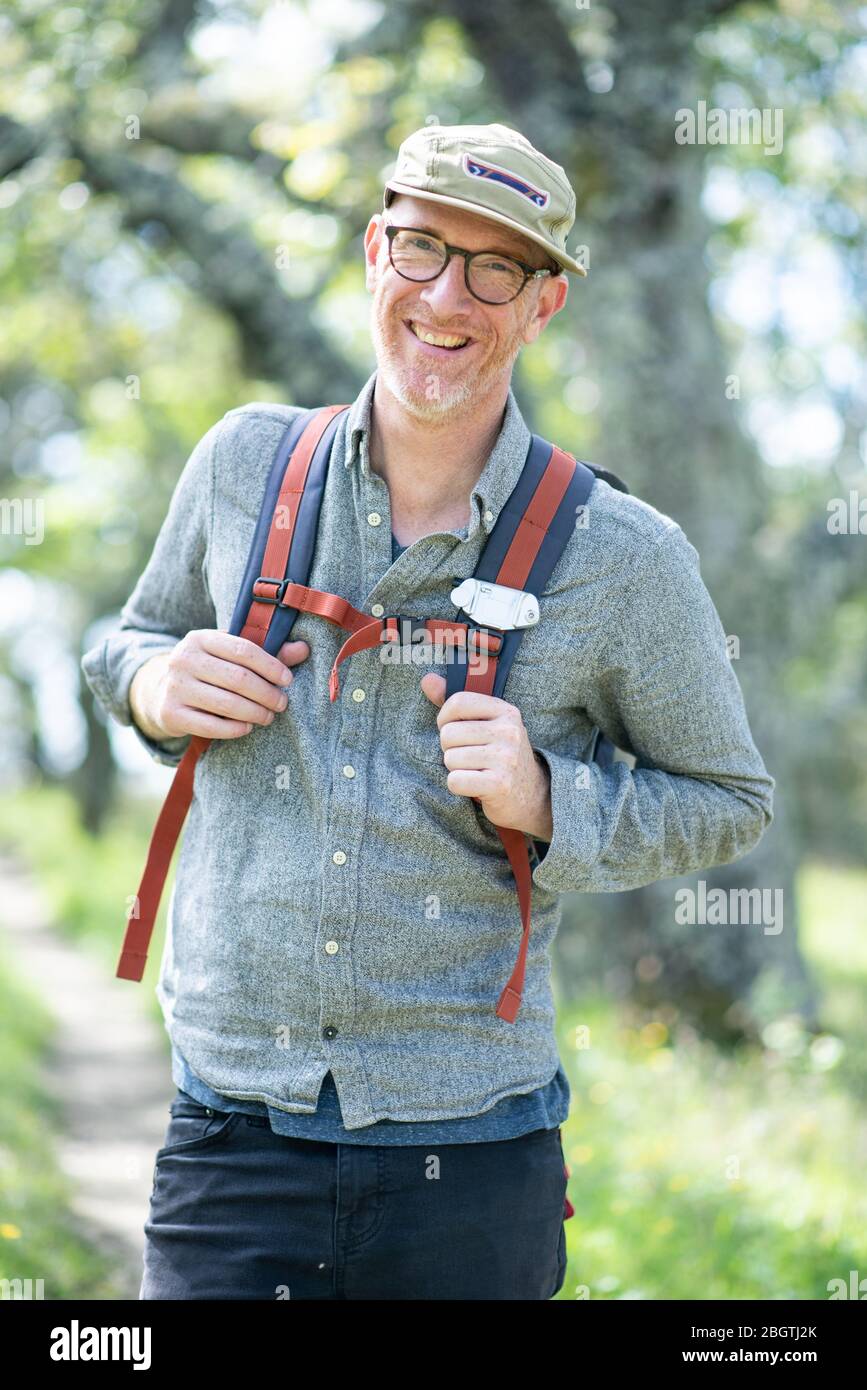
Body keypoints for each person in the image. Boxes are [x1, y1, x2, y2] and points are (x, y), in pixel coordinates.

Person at [81, 122, 774, 1300]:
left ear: (543, 303)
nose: (446, 294)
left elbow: (730, 800)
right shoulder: (242, 463)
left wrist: (554, 798)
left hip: (475, 1158)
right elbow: (124, 638)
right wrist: (153, 683)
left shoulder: (626, 556)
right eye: (419, 248)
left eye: (494, 266)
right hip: (231, 1134)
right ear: (372, 251)